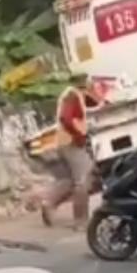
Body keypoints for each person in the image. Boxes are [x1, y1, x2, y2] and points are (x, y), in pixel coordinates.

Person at [40, 75, 97, 230]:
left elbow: (93, 103)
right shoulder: (72, 95)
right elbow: (67, 118)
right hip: (72, 142)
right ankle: (81, 221)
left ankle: (49, 204)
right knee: (83, 179)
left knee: (68, 180)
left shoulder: (70, 94)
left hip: (63, 141)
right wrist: (78, 136)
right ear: (83, 82)